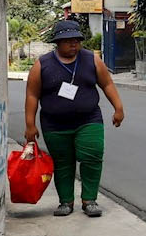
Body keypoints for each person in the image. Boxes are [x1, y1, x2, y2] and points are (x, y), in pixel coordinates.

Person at [25, 18, 124, 216]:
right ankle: (65, 202)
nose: (74, 44)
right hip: (54, 125)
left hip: (89, 120)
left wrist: (118, 108)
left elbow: (107, 84)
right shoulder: (42, 64)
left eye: (77, 40)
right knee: (63, 163)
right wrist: (30, 125)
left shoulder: (92, 59)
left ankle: (90, 200)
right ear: (58, 42)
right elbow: (32, 95)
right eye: (68, 40)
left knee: (92, 157)